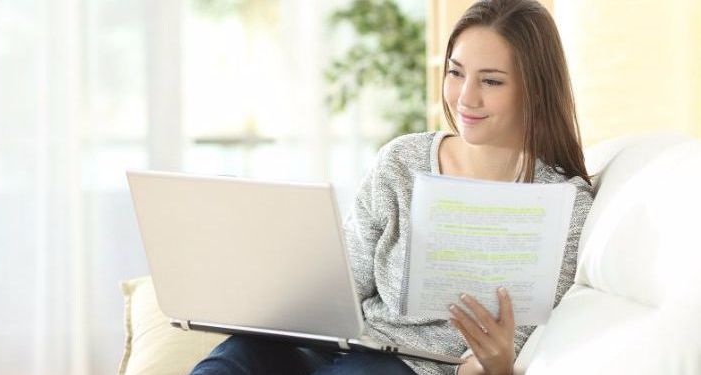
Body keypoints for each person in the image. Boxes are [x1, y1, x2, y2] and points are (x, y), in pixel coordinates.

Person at [190, 0, 594, 374]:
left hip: (419, 367)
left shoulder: (562, 204)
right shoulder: (401, 161)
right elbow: (348, 281)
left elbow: (518, 338)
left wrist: (497, 366)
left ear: (534, 89)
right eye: (455, 73)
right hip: (347, 343)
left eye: (491, 81)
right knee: (236, 355)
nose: (465, 98)